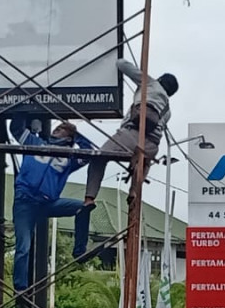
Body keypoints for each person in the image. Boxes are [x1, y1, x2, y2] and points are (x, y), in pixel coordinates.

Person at [73, 58, 178, 258]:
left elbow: (122, 65)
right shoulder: (169, 110)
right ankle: (134, 192)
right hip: (151, 146)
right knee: (139, 167)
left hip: (131, 134)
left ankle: (89, 199)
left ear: (161, 80)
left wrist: (112, 55)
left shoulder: (151, 83)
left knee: (99, 158)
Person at [9, 117, 96, 294]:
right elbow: (16, 129)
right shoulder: (35, 142)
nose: (56, 131)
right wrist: (27, 113)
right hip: (25, 202)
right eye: (56, 129)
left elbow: (89, 152)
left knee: (83, 207)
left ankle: (79, 251)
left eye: (62, 130)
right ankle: (20, 288)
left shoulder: (69, 159)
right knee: (23, 246)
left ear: (69, 138)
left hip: (47, 203)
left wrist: (76, 134)